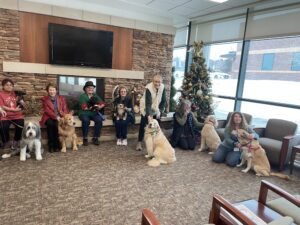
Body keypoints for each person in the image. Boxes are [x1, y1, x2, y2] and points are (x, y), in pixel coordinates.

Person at [136, 75, 166, 151]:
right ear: (153, 81)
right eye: (155, 81)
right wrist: (149, 116)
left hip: (156, 107)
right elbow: (148, 104)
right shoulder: (148, 88)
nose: (157, 83)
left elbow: (163, 101)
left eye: (159, 82)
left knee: (156, 125)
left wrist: (161, 111)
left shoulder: (162, 87)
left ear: (161, 82)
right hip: (146, 107)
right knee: (143, 124)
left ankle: (155, 142)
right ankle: (139, 142)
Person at [40, 83, 69, 153]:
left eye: (53, 90)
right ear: (48, 91)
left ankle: (57, 144)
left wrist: (64, 116)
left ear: (56, 90)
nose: (52, 91)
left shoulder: (61, 98)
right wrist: (56, 117)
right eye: (50, 90)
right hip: (48, 116)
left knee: (56, 125)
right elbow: (47, 110)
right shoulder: (44, 99)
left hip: (60, 116)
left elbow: (65, 108)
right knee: (50, 124)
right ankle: (51, 145)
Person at [0, 78, 25, 150]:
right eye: (7, 85)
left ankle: (16, 141)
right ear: (3, 86)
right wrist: (13, 110)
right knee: (3, 126)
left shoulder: (15, 94)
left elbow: (22, 105)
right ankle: (6, 142)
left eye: (11, 85)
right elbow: (2, 106)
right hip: (6, 115)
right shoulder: (1, 94)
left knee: (20, 124)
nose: (9, 86)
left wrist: (22, 102)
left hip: (17, 115)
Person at [78, 81, 105, 146]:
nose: (90, 89)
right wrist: (94, 107)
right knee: (85, 120)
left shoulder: (95, 95)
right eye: (89, 88)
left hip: (93, 113)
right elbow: (84, 107)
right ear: (85, 89)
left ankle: (95, 138)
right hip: (84, 113)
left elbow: (102, 103)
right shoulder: (82, 96)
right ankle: (85, 138)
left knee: (99, 120)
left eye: (92, 88)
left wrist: (99, 107)